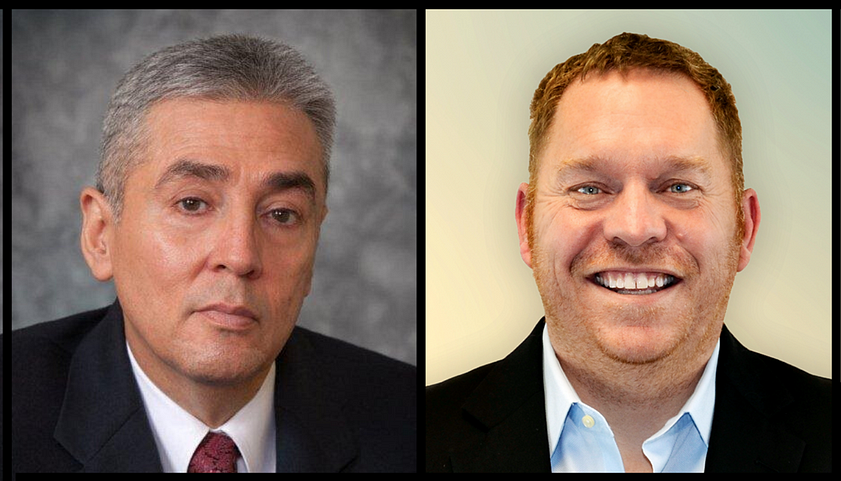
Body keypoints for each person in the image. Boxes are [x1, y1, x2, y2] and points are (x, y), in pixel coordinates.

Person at [6, 34, 416, 473]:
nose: (240, 257)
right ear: (101, 234)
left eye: (280, 214)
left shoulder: (408, 420)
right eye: (192, 204)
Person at [425, 32, 830, 473]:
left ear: (744, 228)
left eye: (679, 187)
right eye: (589, 188)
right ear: (526, 224)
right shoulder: (416, 435)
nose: (635, 229)